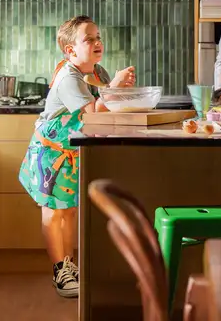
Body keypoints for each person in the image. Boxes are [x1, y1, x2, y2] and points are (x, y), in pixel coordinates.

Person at [18, 15, 135, 298]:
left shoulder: (98, 72)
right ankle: (60, 270)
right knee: (54, 213)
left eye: (98, 37)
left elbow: (106, 107)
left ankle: (69, 264)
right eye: (89, 39)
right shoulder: (68, 78)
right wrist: (115, 89)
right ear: (70, 50)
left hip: (71, 152)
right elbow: (91, 114)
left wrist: (117, 89)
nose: (97, 42)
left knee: (69, 210)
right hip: (51, 155)